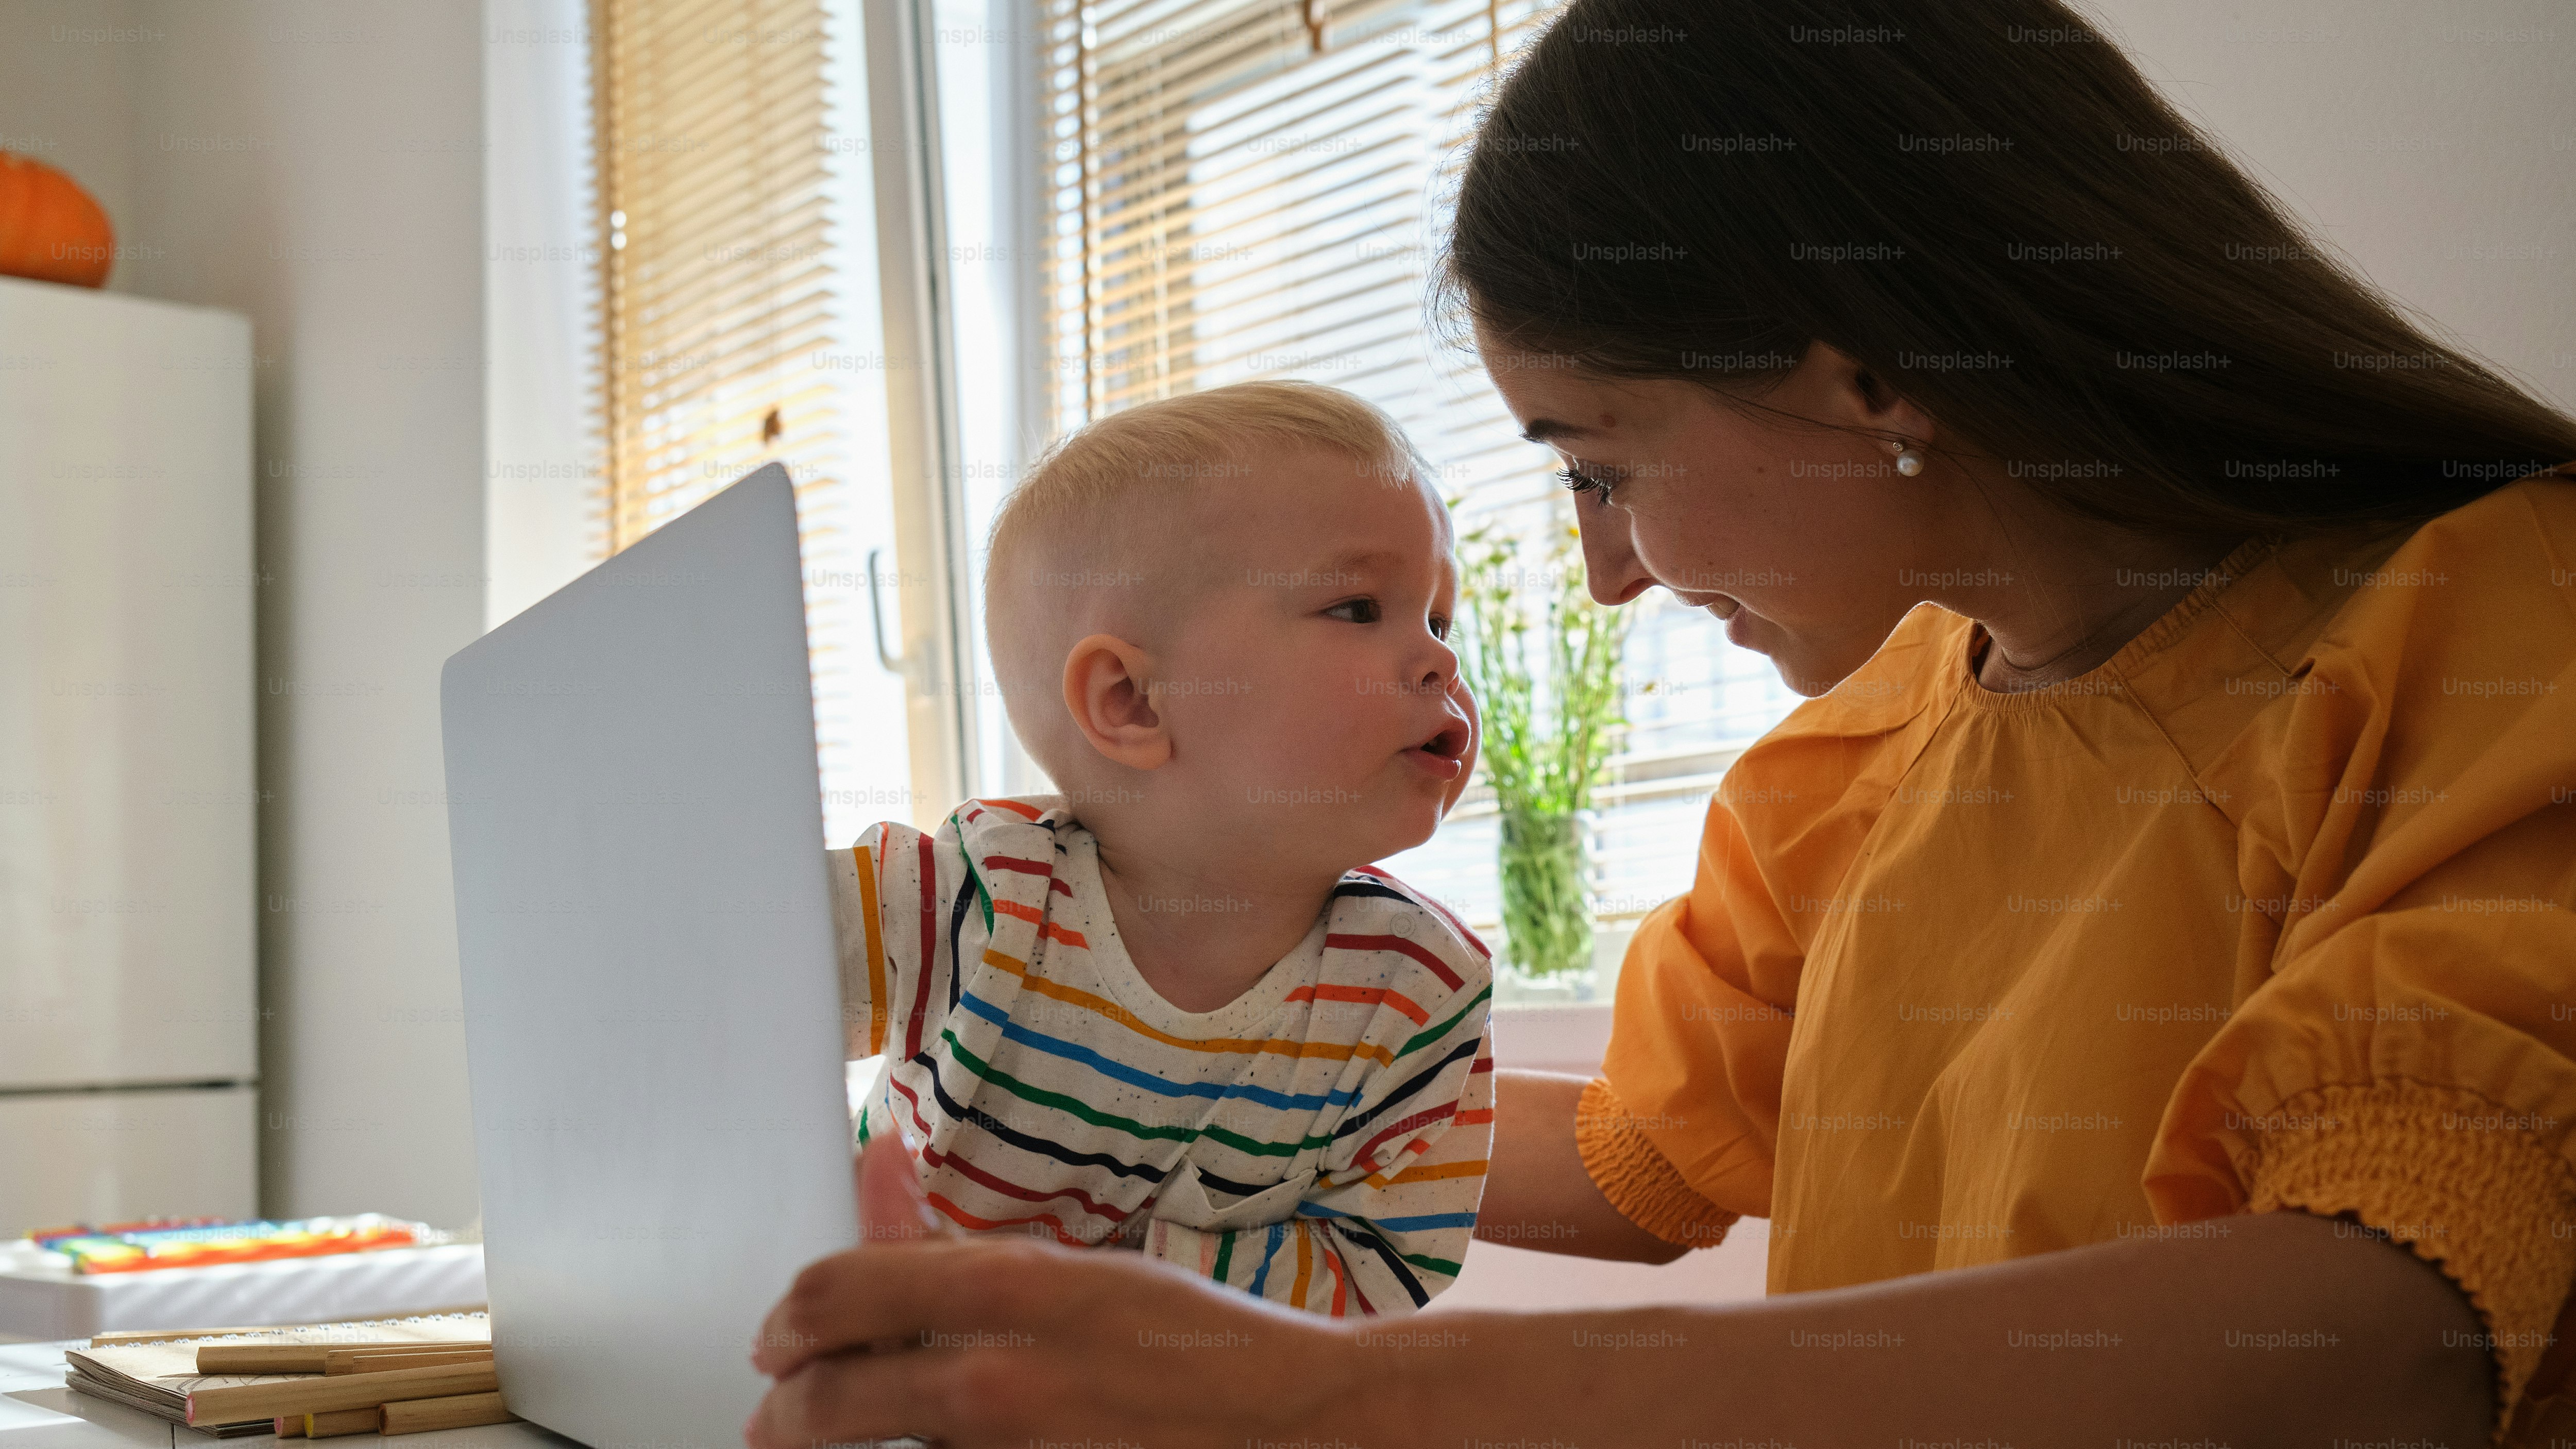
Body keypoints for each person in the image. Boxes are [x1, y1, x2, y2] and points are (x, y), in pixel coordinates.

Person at [743, 0, 2576, 1443]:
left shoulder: (2488, 630)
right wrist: (1152, 1034)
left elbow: (2383, 1332)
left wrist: (1351, 1400)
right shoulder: (1857, 763)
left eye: (1602, 466)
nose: (1606, 576)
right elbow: (1640, 1161)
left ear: (1869, 378)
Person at [822, 380, 1495, 1315]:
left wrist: (1119, 1297)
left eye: (1437, 620)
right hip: (874, 1350)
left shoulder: (1422, 994)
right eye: (1357, 608)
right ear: (1132, 703)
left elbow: (1385, 1269)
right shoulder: (964, 899)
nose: (1443, 660)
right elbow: (704, 986)